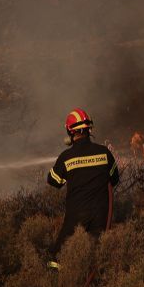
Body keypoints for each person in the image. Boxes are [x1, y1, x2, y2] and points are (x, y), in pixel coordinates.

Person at [46, 108, 119, 269]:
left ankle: (54, 280)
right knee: (98, 254)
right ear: (89, 130)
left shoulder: (66, 157)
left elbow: (53, 181)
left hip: (77, 214)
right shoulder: (104, 153)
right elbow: (114, 179)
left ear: (70, 131)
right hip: (101, 213)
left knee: (57, 257)